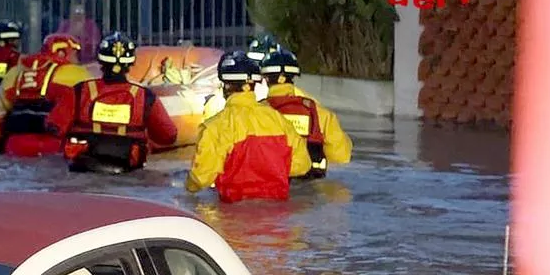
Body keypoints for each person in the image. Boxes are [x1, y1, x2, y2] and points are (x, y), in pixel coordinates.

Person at [185, 51, 312, 202]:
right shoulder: (278, 120)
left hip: (232, 212)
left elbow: (201, 177)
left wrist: (187, 187)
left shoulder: (214, 127)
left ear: (225, 85)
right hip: (278, 216)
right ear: (253, 85)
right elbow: (303, 165)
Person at [48, 31, 178, 174]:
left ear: (100, 61)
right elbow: (168, 136)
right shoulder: (145, 97)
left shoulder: (79, 91)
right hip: (128, 174)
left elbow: (54, 127)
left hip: (83, 171)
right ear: (131, 63)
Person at [260, 49, 353, 179]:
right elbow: (341, 156)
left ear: (265, 79)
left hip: (271, 184)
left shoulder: (256, 113)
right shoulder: (321, 113)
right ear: (293, 77)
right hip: (312, 186)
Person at [0, 33, 92, 157]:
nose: (77, 59)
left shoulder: (15, 71)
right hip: (52, 144)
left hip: (13, 143)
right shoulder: (76, 73)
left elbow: (6, 104)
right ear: (62, 53)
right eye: (75, 54)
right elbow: (88, 105)